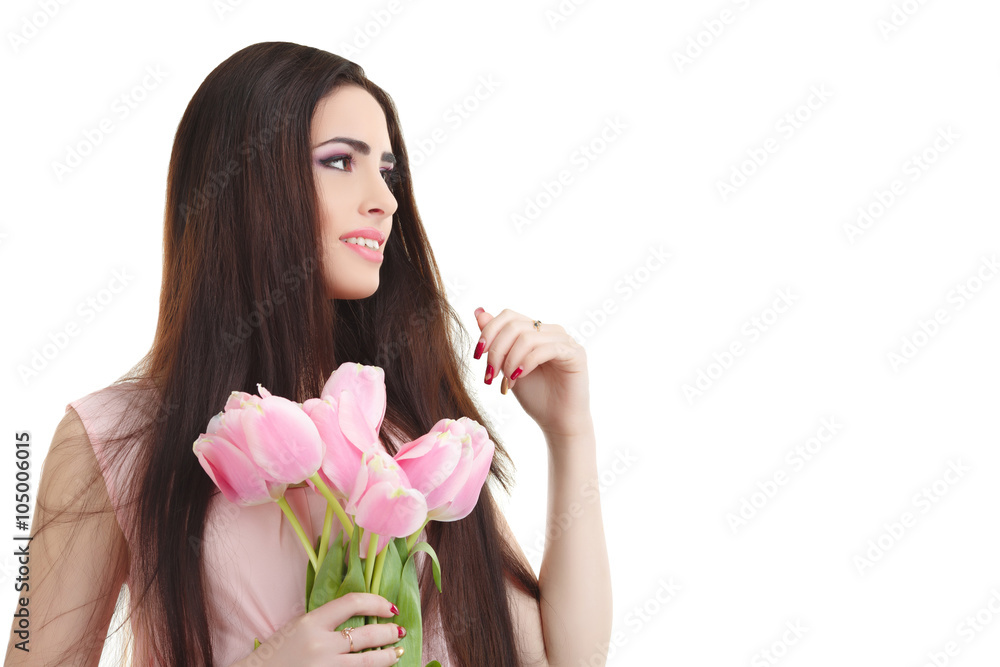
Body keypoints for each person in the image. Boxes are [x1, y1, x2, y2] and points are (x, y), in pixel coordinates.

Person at [5, 41, 612, 666]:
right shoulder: (115, 440)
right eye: (340, 162)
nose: (386, 200)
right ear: (245, 185)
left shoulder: (406, 429)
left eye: (388, 169)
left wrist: (571, 432)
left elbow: (565, 659)